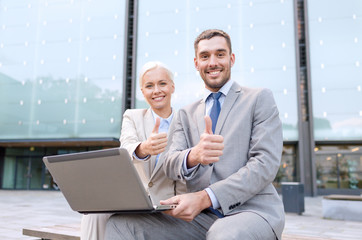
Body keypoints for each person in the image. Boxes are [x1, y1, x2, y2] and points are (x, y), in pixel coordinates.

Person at [105, 29, 285, 240]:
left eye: (220, 54)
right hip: (200, 218)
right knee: (120, 224)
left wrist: (205, 197)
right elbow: (170, 163)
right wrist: (194, 156)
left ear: (231, 58)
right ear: (196, 63)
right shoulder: (185, 113)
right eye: (205, 56)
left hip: (251, 211)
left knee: (224, 234)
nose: (213, 62)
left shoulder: (258, 99)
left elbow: (265, 164)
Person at [81, 61, 186, 240]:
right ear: (142, 91)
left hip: (168, 204)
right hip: (135, 200)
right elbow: (126, 147)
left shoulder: (186, 120)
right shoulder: (132, 116)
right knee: (93, 214)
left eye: (162, 83)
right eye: (149, 86)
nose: (156, 91)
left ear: (172, 87)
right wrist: (144, 148)